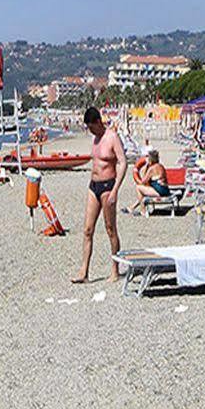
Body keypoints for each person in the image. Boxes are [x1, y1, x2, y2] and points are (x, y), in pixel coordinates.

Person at [77, 106, 126, 283]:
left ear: (99, 122)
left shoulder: (112, 137)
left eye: (91, 126)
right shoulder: (95, 138)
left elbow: (122, 163)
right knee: (87, 230)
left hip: (108, 186)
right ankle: (84, 271)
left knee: (110, 229)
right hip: (93, 186)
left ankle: (115, 269)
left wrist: (115, 190)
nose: (90, 130)